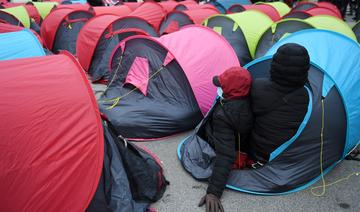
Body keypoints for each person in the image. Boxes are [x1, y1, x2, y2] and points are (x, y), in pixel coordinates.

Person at [198, 67, 253, 212]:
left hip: (227, 142)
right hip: (243, 141)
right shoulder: (252, 100)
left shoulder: (222, 115)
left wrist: (213, 192)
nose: (220, 87)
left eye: (222, 85)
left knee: (208, 126)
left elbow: (226, 155)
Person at [250, 43, 310, 164]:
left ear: (274, 65)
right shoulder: (305, 95)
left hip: (255, 150)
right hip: (284, 154)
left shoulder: (257, 85)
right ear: (305, 69)